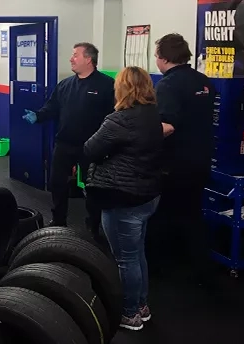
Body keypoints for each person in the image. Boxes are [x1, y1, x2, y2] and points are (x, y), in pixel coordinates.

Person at [84, 66, 163, 331]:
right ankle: (141, 306)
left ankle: (129, 314)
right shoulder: (152, 115)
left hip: (122, 198)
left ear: (123, 88)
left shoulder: (119, 120)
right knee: (137, 253)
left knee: (125, 259)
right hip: (147, 196)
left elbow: (90, 149)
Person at [23, 42, 115, 233]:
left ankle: (94, 225)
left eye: (75, 55)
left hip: (92, 146)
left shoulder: (107, 85)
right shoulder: (65, 84)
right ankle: (58, 220)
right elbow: (52, 107)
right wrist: (38, 116)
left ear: (88, 59)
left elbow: (114, 116)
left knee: (93, 187)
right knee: (57, 183)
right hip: (65, 143)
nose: (71, 59)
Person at [149, 33, 215, 284]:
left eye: (156, 56)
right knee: (192, 214)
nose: (156, 60)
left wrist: (139, 137)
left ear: (164, 58)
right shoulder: (205, 81)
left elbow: (168, 126)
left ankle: (157, 271)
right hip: (201, 158)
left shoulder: (167, 84)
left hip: (175, 163)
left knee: (161, 214)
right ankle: (201, 271)